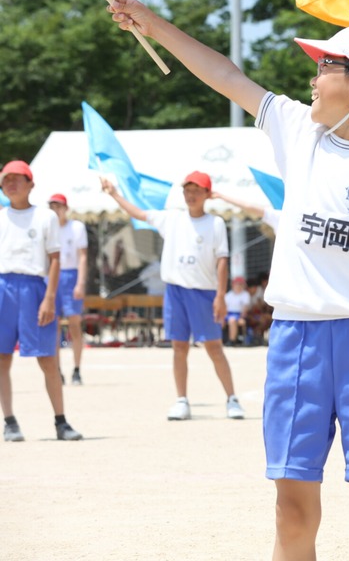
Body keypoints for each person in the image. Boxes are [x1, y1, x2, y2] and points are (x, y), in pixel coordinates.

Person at [106, 0, 349, 561]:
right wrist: (155, 25)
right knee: (292, 510)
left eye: (325, 66)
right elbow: (225, 73)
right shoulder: (299, 131)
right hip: (295, 341)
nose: (312, 79)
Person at [102, 172, 244, 421]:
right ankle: (181, 400)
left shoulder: (216, 223)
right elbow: (138, 213)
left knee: (214, 347)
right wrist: (114, 193)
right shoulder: (172, 218)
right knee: (179, 346)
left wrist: (221, 295)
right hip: (175, 291)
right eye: (187, 190)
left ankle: (232, 398)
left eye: (197, 191)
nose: (191, 195)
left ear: (207, 195)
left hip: (204, 292)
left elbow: (222, 260)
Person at [1, 161, 83, 442]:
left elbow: (55, 259)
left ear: (31, 184)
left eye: (18, 179)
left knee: (47, 358)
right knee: (2, 358)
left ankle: (61, 421)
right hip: (3, 288)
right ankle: (9, 421)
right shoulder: (0, 217)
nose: (11, 183)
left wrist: (49, 298)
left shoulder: (45, 217)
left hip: (36, 289)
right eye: (6, 179)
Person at [47, 194, 88, 384]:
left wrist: (80, 283)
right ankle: (57, 369)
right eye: (52, 206)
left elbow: (82, 257)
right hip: (52, 276)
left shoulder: (76, 227)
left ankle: (77, 369)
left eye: (58, 206)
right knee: (52, 326)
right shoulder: (47, 227)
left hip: (70, 276)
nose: (56, 210)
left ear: (66, 208)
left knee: (74, 324)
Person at [223, 276, 250, 347]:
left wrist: (242, 316)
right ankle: (221, 340)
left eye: (241, 284)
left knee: (232, 320)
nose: (239, 286)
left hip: (239, 315)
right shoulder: (228, 295)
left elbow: (245, 308)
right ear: (233, 285)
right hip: (228, 314)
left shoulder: (245, 294)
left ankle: (232, 340)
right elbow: (224, 307)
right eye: (237, 284)